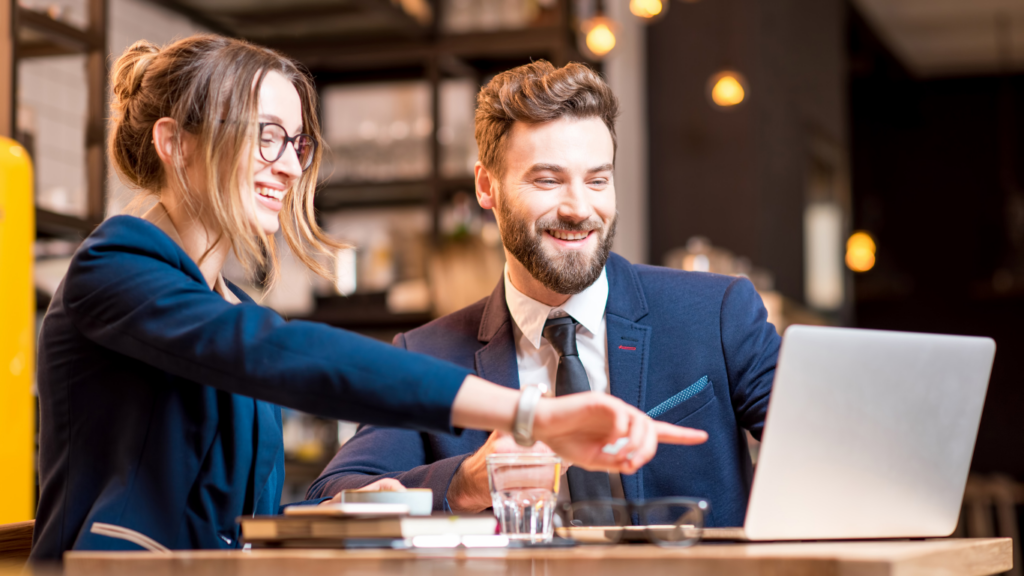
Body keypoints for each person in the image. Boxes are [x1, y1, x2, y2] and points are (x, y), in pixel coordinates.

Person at [30, 37, 706, 561]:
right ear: (175, 142)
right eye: (265, 135)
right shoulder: (114, 266)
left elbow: (228, 525)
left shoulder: (226, 302)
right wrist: (533, 416)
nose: (291, 166)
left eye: (296, 143)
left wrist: (353, 511)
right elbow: (281, 354)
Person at [307, 61, 780, 528]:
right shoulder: (427, 354)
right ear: (486, 186)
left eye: (597, 180)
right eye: (548, 180)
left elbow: (826, 445)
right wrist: (468, 481)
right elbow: (330, 496)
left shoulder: (717, 313)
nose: (579, 209)